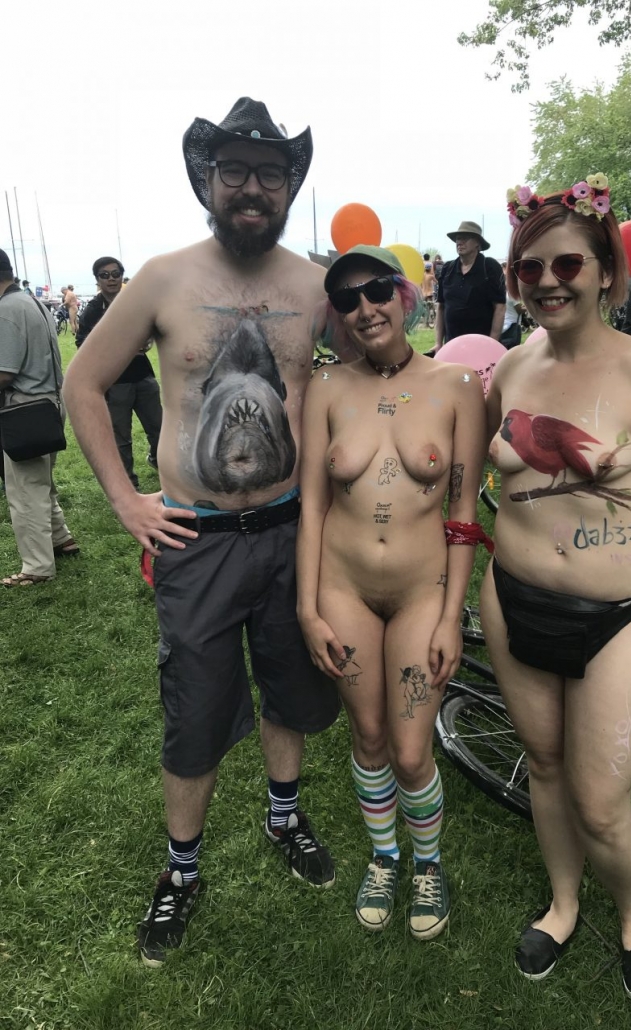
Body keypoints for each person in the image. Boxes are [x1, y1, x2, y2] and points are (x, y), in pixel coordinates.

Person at [63, 97, 340, 967]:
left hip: (292, 532)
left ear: (290, 185)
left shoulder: (314, 286)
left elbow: (375, 369)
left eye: (270, 174)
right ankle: (181, 870)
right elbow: (82, 385)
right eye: (235, 172)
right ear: (206, 180)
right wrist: (125, 501)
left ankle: (284, 818)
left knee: (290, 686)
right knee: (196, 710)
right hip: (197, 541)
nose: (252, 188)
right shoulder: (161, 279)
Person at [483, 176, 631, 1007]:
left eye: (567, 263)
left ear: (606, 270)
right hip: (513, 599)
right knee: (543, 766)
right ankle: (563, 902)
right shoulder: (509, 369)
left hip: (621, 617)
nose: (547, 281)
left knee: (603, 800)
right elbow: (483, 473)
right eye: (529, 268)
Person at [297, 244, 486, 939]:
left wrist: (450, 616)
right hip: (342, 589)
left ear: (404, 296)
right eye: (347, 299)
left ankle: (427, 864)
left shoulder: (457, 385)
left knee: (410, 752)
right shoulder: (325, 386)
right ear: (336, 314)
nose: (365, 308)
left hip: (420, 592)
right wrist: (306, 606)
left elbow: (463, 511)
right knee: (370, 736)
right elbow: (313, 507)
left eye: (377, 290)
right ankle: (385, 856)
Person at [0, 248, 78, 586]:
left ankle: (37, 567)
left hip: (25, 408)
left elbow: (4, 373)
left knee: (25, 490)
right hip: (48, 403)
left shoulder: (6, 309)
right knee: (40, 482)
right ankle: (61, 539)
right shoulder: (31, 301)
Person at [76, 256, 162, 486]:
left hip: (144, 376)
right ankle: (128, 484)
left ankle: (159, 462)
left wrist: (149, 339)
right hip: (115, 382)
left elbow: (154, 327)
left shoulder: (133, 302)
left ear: (122, 276)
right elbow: (81, 343)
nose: (111, 279)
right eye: (105, 275)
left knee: (159, 429)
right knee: (121, 438)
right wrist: (115, 349)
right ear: (97, 280)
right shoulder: (93, 310)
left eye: (115, 274)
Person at [432, 221, 506, 353]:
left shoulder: (489, 267)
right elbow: (441, 307)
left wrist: (492, 344)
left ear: (477, 242)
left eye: (465, 238)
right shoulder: (448, 269)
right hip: (452, 346)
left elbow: (500, 307)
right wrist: (438, 343)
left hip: (481, 347)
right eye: (458, 239)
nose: (459, 242)